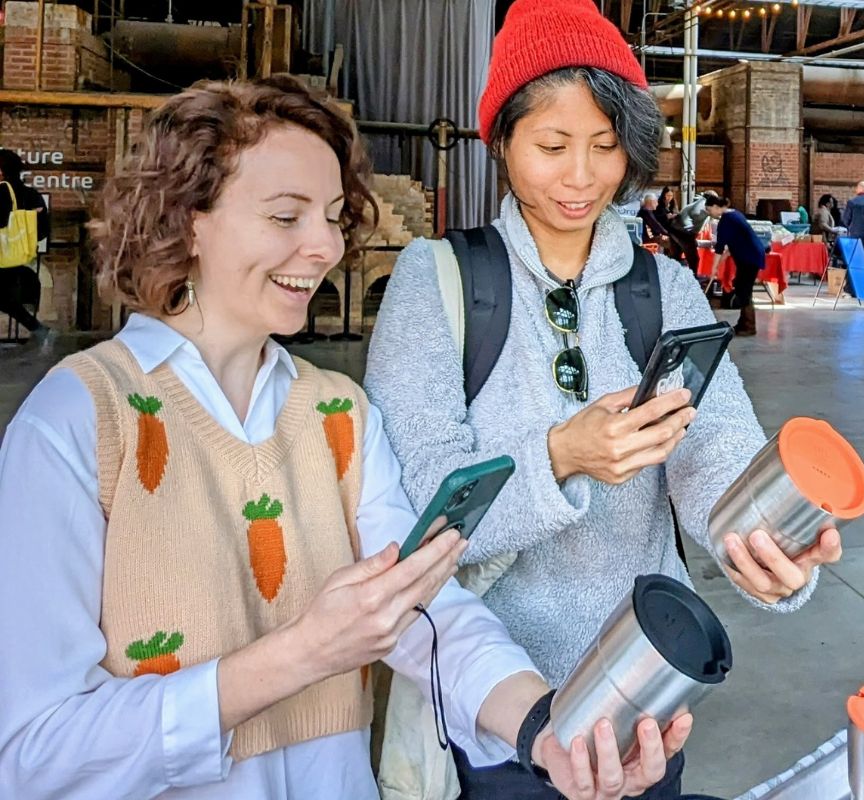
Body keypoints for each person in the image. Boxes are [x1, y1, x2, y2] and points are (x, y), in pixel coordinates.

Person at [0, 77, 687, 800]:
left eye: (331, 216)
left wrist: (547, 729)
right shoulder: (77, 420)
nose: (326, 245)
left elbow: (427, 608)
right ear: (188, 218)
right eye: (286, 216)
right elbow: (33, 754)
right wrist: (297, 655)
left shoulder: (337, 414)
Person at [364, 1, 842, 794]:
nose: (582, 177)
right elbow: (419, 505)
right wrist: (560, 458)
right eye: (552, 146)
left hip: (649, 695)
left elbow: (711, 445)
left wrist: (763, 538)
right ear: (503, 141)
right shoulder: (439, 281)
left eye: (606, 146)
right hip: (497, 716)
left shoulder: (668, 289)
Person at [0, 148, 53, 349]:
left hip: (1, 255)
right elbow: (42, 231)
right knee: (5, 299)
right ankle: (40, 330)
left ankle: (40, 330)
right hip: (17, 256)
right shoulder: (32, 195)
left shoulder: (1, 192)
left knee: (4, 300)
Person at [706, 194, 765, 336]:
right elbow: (733, 241)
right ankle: (743, 323)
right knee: (740, 286)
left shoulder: (726, 220)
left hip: (749, 258)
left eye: (709, 210)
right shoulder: (734, 214)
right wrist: (723, 259)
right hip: (750, 255)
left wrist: (714, 267)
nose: (709, 213)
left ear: (715, 207)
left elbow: (720, 247)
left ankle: (749, 326)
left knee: (744, 290)